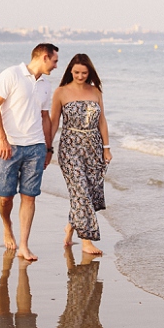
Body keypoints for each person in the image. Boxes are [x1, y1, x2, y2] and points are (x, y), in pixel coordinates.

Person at [0, 43, 59, 261]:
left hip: (36, 147)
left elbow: (45, 118)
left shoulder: (46, 85)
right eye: (55, 61)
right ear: (44, 57)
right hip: (9, 146)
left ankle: (24, 246)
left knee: (29, 197)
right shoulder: (11, 74)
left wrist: (48, 148)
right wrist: (3, 140)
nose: (56, 66)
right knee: (5, 197)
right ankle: (7, 225)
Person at [49, 53, 111, 255]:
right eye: (76, 72)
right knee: (81, 191)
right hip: (70, 149)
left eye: (84, 73)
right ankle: (87, 241)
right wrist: (47, 147)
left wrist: (106, 148)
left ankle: (70, 226)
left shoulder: (96, 92)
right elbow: (54, 122)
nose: (80, 76)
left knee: (87, 193)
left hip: (93, 148)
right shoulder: (60, 92)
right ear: (70, 71)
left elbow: (102, 121)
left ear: (89, 72)